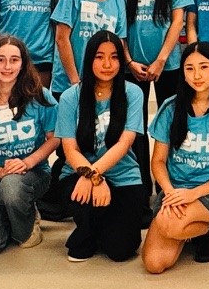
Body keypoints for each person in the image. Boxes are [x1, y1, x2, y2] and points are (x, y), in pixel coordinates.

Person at [145, 44, 209, 274]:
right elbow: (158, 161)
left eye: (204, 67)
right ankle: (198, 230)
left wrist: (193, 194)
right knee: (154, 264)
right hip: (176, 190)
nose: (197, 75)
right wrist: (170, 193)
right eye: (189, 68)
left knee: (168, 224)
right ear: (182, 73)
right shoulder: (170, 108)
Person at [52, 31, 147, 263]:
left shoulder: (133, 93)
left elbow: (125, 143)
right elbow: (70, 149)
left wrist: (95, 175)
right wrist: (93, 178)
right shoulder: (70, 97)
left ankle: (97, 230)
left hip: (123, 175)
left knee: (121, 250)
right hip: (78, 174)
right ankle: (87, 233)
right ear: (89, 59)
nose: (107, 64)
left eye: (114, 57)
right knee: (86, 212)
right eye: (99, 57)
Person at [0, 37, 59, 257]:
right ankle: (11, 211)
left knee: (12, 189)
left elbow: (54, 138)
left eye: (14, 60)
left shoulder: (40, 96)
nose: (7, 66)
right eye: (0, 60)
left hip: (34, 174)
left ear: (23, 64)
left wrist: (27, 162)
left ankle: (27, 227)